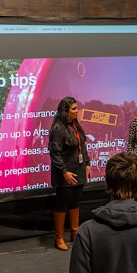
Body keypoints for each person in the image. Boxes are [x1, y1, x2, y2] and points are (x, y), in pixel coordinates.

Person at [49, 96, 89, 250]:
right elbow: (55, 153)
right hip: (64, 174)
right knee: (62, 204)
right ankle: (58, 237)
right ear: (65, 111)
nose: (77, 111)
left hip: (79, 171)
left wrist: (87, 163)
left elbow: (82, 146)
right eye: (74, 109)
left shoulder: (75, 125)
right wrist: (64, 172)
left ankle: (74, 232)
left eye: (77, 108)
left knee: (75, 202)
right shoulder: (58, 128)